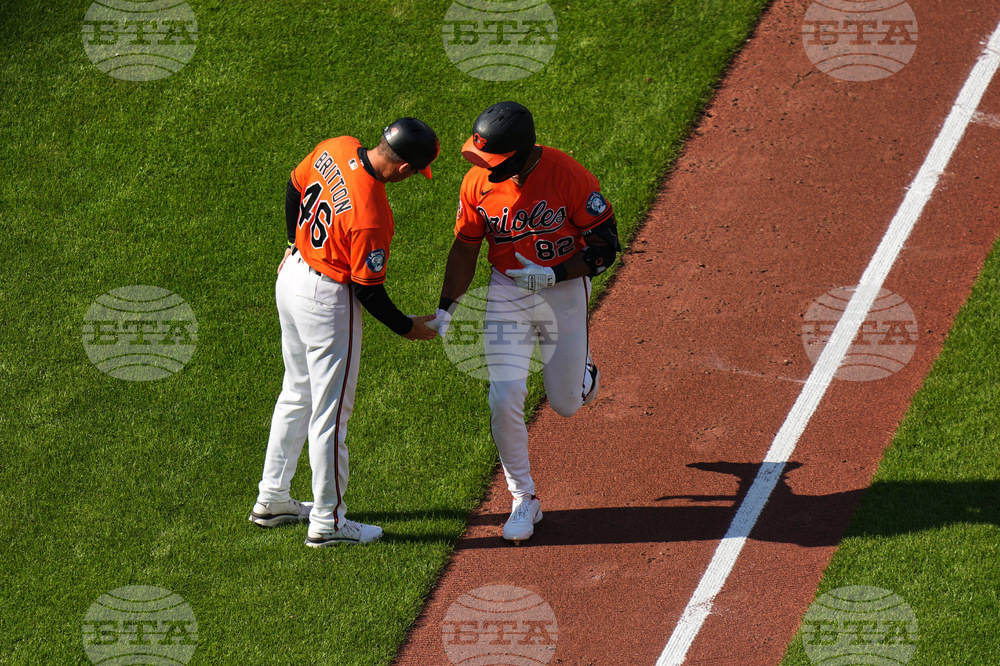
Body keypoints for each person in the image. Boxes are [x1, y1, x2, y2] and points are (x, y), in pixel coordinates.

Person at [431, 101, 620, 543]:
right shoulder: (478, 181)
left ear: (520, 152)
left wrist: (553, 274)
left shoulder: (568, 176)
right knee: (504, 396)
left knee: (566, 405)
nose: (483, 166)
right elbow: (465, 247)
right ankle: (524, 497)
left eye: (494, 159)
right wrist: (447, 308)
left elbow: (605, 248)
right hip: (508, 291)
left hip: (564, 290)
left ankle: (583, 371)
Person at [249, 118, 440, 547]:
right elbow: (368, 291)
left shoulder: (336, 146)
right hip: (326, 301)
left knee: (296, 392)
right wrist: (407, 327)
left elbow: (295, 187)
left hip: (293, 277)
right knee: (331, 416)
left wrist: (292, 243)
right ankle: (328, 522)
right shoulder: (372, 214)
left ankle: (273, 497)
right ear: (406, 168)